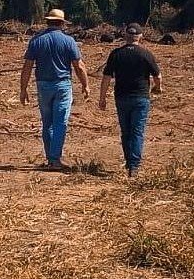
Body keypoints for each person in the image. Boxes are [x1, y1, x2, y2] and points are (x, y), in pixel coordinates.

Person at [19, 9, 91, 170]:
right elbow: (78, 66)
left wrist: (23, 89)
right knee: (60, 123)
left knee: (47, 123)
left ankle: (51, 158)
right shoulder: (68, 41)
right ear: (62, 23)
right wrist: (85, 85)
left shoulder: (36, 40)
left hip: (43, 85)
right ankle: (55, 159)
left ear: (48, 22)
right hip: (62, 85)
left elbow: (27, 67)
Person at [98, 23, 162, 178]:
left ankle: (129, 161)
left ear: (125, 36)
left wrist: (102, 97)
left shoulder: (116, 54)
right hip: (140, 98)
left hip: (121, 97)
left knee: (125, 131)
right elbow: (157, 76)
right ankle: (134, 165)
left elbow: (106, 78)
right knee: (137, 131)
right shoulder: (146, 54)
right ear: (140, 36)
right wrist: (158, 88)